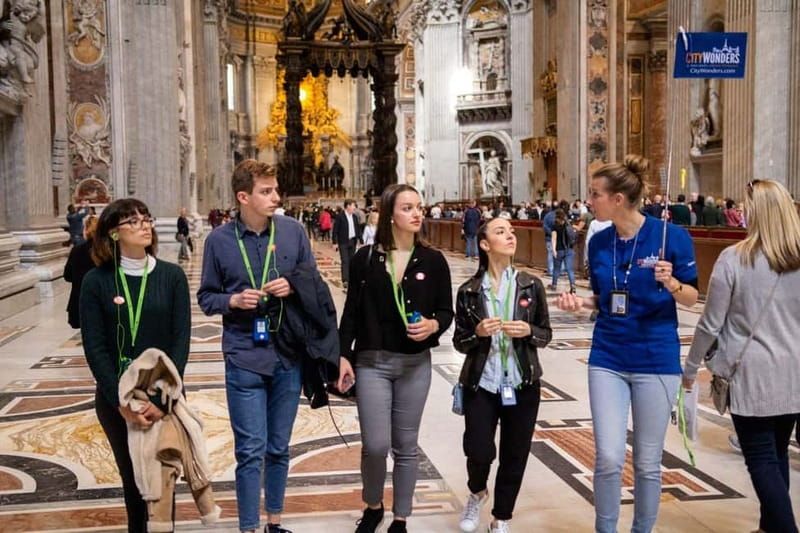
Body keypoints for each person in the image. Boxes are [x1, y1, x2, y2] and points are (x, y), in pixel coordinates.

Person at [556, 155, 699, 533]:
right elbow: (602, 300)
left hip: (656, 358)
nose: (589, 200)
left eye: (595, 194)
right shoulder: (600, 241)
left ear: (617, 199)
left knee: (649, 463)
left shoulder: (670, 237)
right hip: (608, 355)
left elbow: (691, 298)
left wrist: (671, 283)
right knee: (607, 456)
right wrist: (578, 304)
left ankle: (642, 530)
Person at [197, 160, 314, 533]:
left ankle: (274, 522)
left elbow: (313, 282)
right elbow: (206, 297)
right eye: (266, 191)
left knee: (278, 447)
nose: (276, 197)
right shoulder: (218, 240)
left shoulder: (294, 232)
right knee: (250, 450)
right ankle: (248, 527)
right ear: (243, 197)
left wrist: (293, 285)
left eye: (275, 189)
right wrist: (232, 301)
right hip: (244, 353)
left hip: (287, 353)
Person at [684, 179, 800, 533]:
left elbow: (710, 324)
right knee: (777, 452)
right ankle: (769, 526)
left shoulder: (734, 258)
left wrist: (690, 367)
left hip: (752, 374)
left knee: (762, 459)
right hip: (795, 372)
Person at [336, 184, 454, 533]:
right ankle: (373, 504)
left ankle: (401, 517)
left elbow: (445, 311)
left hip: (414, 365)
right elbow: (351, 314)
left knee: (406, 445)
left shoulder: (433, 260)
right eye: (407, 208)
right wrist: (343, 356)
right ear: (390, 215)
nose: (417, 213)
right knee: (375, 445)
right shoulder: (366, 259)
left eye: (419, 207)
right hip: (372, 362)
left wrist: (433, 324)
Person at [80, 199, 191, 532]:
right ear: (113, 233)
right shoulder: (96, 282)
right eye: (133, 221)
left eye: (147, 218)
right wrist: (121, 401)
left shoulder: (172, 277)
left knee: (162, 480)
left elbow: (180, 342)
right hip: (117, 400)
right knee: (133, 482)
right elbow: (95, 347)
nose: (145, 225)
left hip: (163, 396)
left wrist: (161, 399)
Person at [453, 218, 552, 533]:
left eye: (511, 231)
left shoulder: (530, 285)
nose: (510, 236)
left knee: (515, 453)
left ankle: (501, 517)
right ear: (484, 244)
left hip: (522, 383)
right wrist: (479, 333)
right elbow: (459, 340)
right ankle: (477, 491)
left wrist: (528, 331)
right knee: (478, 448)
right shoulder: (469, 291)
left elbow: (545, 333)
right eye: (500, 232)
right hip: (482, 382)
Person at [64, 215, 98, 329]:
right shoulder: (107, 250)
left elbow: (67, 276)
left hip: (78, 303)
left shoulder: (76, 250)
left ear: (86, 231)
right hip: (100, 303)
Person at [333, 200, 362, 288]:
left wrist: (361, 240)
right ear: (348, 206)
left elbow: (357, 229)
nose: (354, 208)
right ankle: (345, 280)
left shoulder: (354, 217)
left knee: (352, 260)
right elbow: (335, 230)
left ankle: (351, 278)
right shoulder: (340, 217)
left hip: (352, 241)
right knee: (345, 261)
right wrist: (334, 242)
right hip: (343, 242)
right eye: (353, 206)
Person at [550, 209, 576, 293]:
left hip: (559, 249)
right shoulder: (568, 224)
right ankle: (573, 285)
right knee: (569, 269)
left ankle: (554, 285)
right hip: (569, 249)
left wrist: (553, 250)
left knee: (556, 268)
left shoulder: (555, 225)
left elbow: (554, 238)